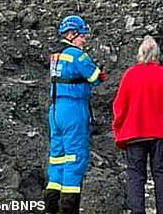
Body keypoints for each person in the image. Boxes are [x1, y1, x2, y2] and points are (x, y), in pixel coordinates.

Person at [112, 36, 163, 214]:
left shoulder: (130, 75)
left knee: (136, 176)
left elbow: (120, 106)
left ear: (140, 54)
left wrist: (118, 130)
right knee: (162, 176)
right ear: (156, 55)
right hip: (161, 135)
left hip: (134, 133)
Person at [44, 15, 106, 214]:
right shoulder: (77, 55)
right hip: (73, 109)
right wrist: (101, 72)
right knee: (75, 157)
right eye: (82, 36)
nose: (84, 40)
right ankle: (69, 208)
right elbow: (95, 77)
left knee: (57, 157)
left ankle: (51, 205)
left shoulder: (56, 54)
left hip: (55, 109)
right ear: (71, 34)